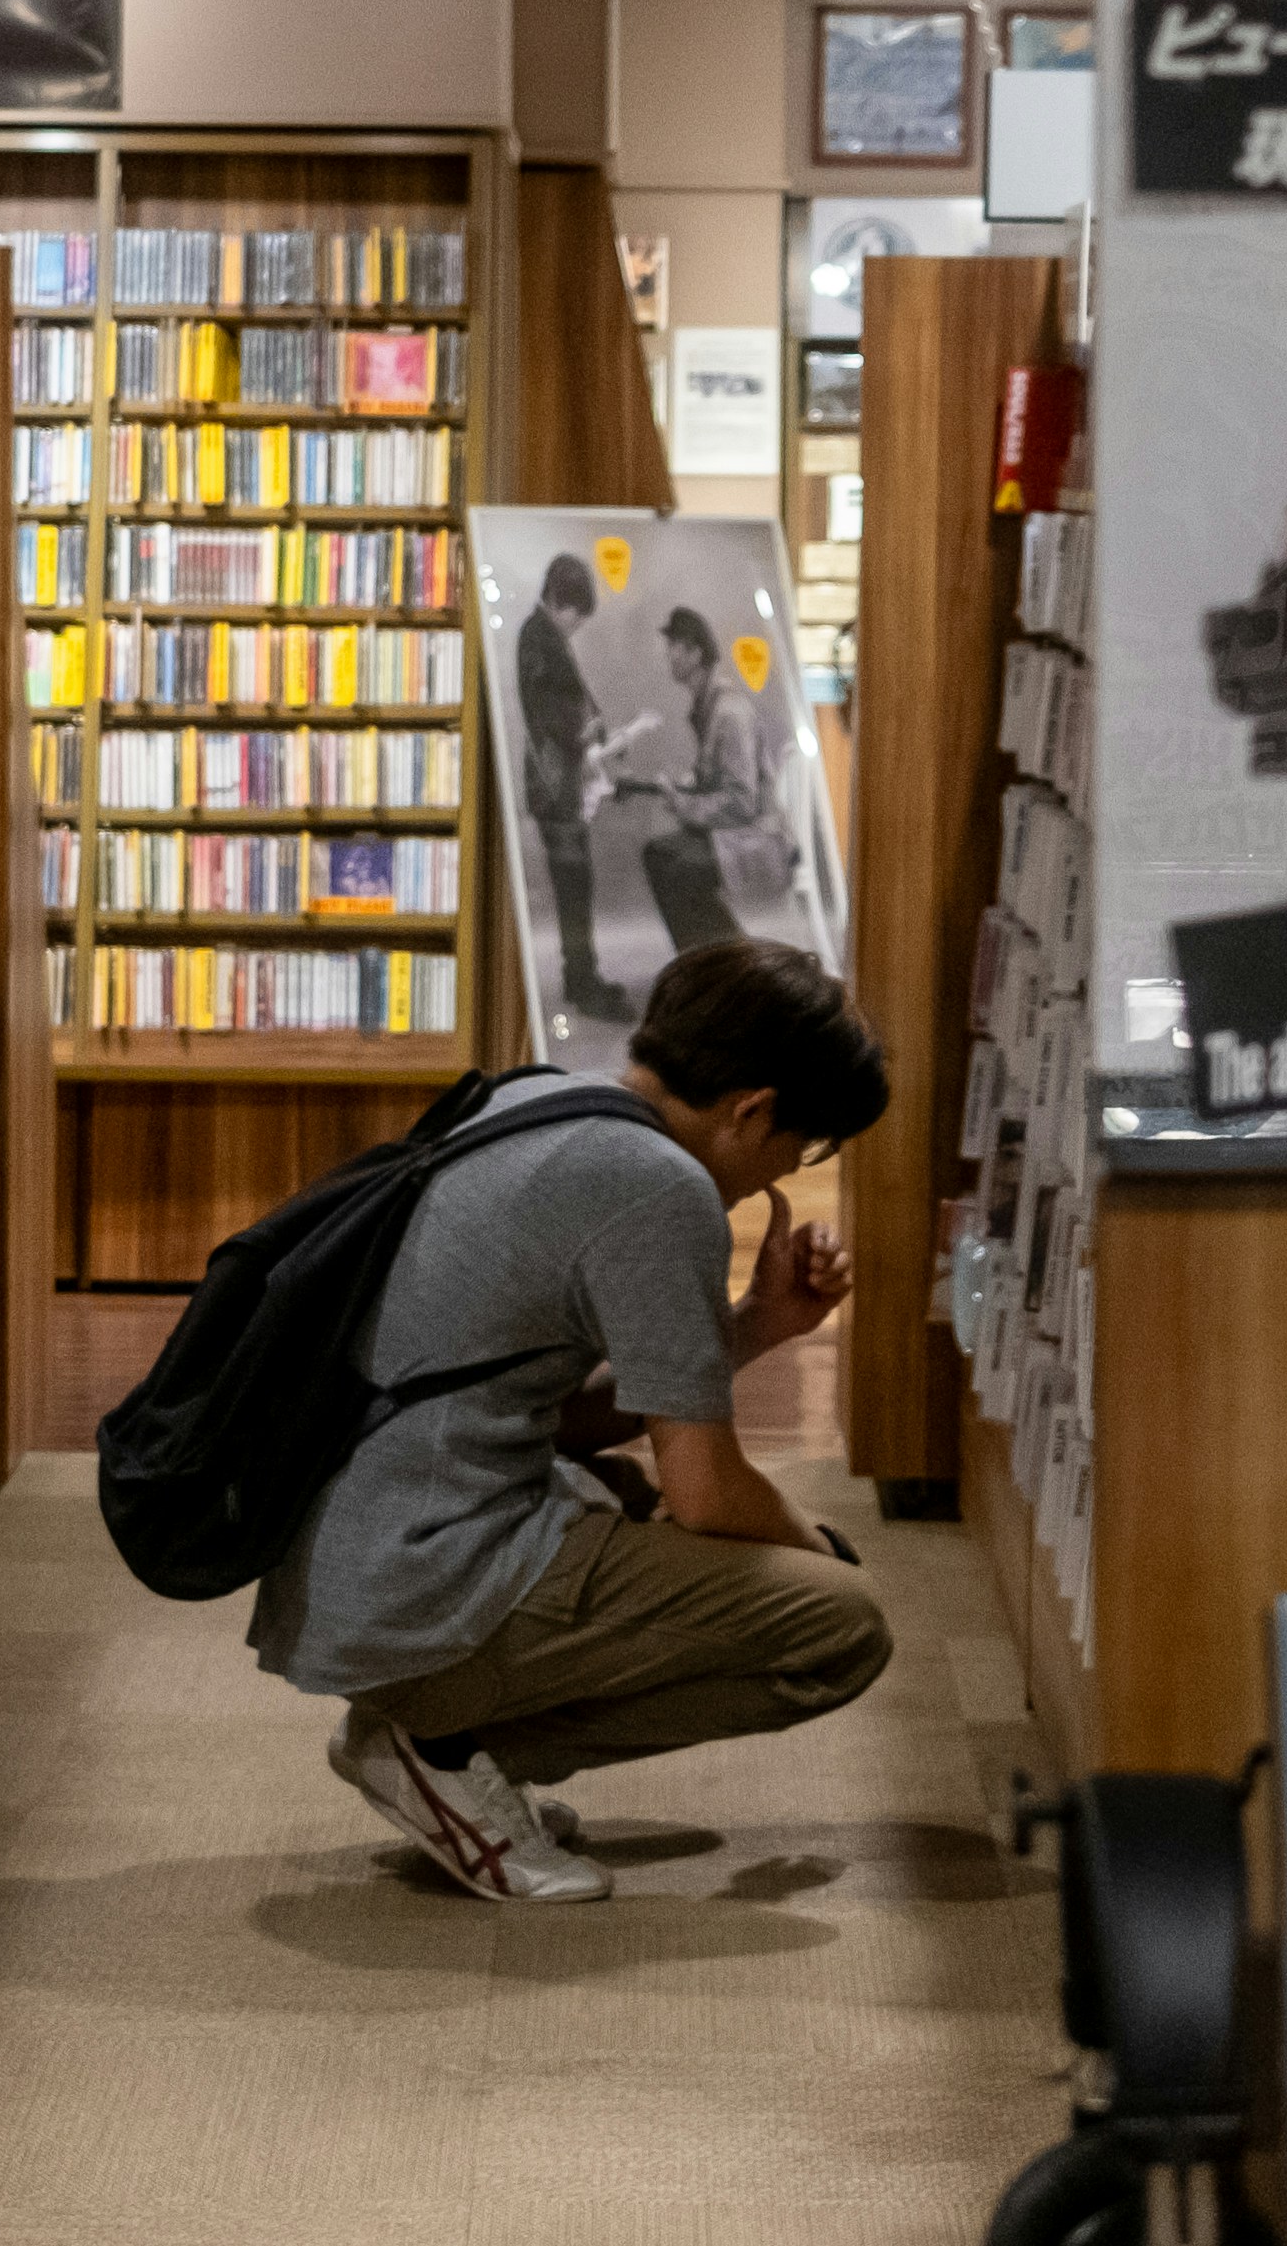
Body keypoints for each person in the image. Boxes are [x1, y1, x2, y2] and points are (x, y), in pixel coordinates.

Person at [254, 939, 896, 1902]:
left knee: (633, 1499)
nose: (788, 1170)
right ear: (750, 1108)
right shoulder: (659, 1187)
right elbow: (709, 1489)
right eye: (800, 1148)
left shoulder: (539, 1097)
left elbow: (552, 1416)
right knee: (837, 1623)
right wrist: (824, 1549)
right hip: (411, 1582)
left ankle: (437, 1741)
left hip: (350, 1559)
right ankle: (442, 1747)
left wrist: (759, 1326)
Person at [619, 606, 790, 957]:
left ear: (696, 653)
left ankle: (723, 960)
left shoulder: (728, 713)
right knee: (661, 855)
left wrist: (682, 802)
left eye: (675, 648)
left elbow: (742, 804)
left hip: (753, 839)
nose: (668, 656)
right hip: (730, 834)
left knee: (674, 865)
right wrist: (670, 787)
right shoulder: (708, 706)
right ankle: (714, 958)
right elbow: (716, 782)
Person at [516, 555, 633, 1024]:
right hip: (555, 784)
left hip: (560, 783)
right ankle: (583, 983)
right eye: (577, 614)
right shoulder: (539, 637)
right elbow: (545, 711)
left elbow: (564, 701)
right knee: (573, 884)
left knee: (576, 883)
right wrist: (588, 733)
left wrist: (596, 727)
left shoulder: (541, 636)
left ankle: (579, 975)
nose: (578, 625)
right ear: (560, 601)